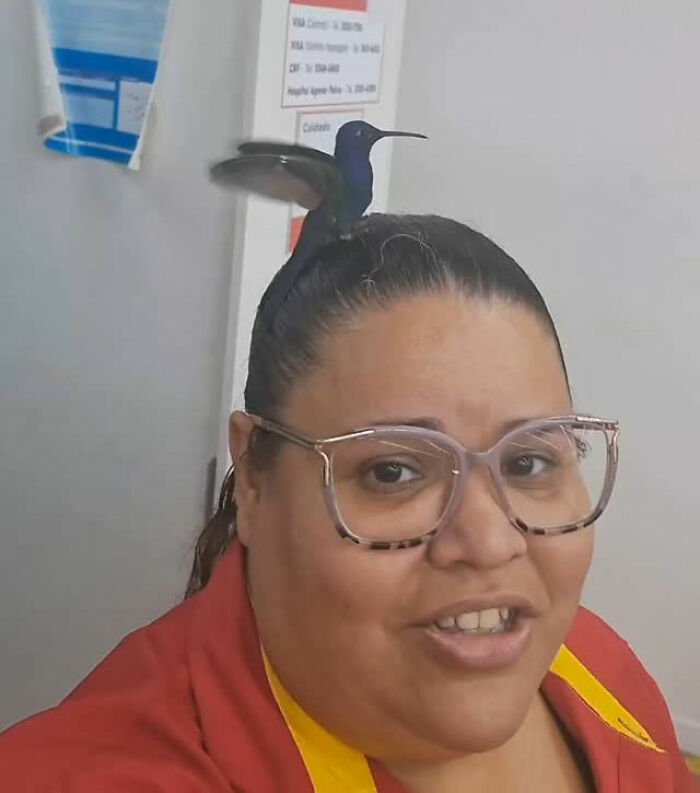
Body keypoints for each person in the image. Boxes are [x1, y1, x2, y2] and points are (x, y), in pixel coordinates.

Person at [0, 214, 695, 792]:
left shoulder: (595, 668)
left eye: (530, 461)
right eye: (393, 471)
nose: (489, 542)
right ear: (254, 474)